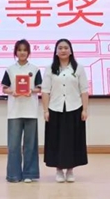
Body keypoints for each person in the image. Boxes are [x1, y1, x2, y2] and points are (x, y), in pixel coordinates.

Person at [41, 38, 89, 183]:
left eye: (66, 48)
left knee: (72, 141)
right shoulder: (50, 69)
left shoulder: (78, 68)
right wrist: (45, 110)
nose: (63, 50)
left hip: (74, 108)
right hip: (55, 108)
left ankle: (70, 170)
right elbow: (45, 91)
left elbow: (84, 90)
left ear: (71, 51)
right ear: (56, 51)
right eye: (60, 48)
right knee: (56, 140)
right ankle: (58, 170)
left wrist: (85, 109)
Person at [1, 39, 42, 183]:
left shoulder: (35, 69)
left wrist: (31, 91)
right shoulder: (10, 69)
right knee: (13, 145)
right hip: (14, 111)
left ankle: (29, 174)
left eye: (25, 50)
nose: (22, 52)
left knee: (30, 145)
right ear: (15, 52)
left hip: (31, 110)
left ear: (29, 52)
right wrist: (12, 92)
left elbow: (40, 88)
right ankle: (13, 175)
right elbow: (4, 88)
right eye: (19, 50)